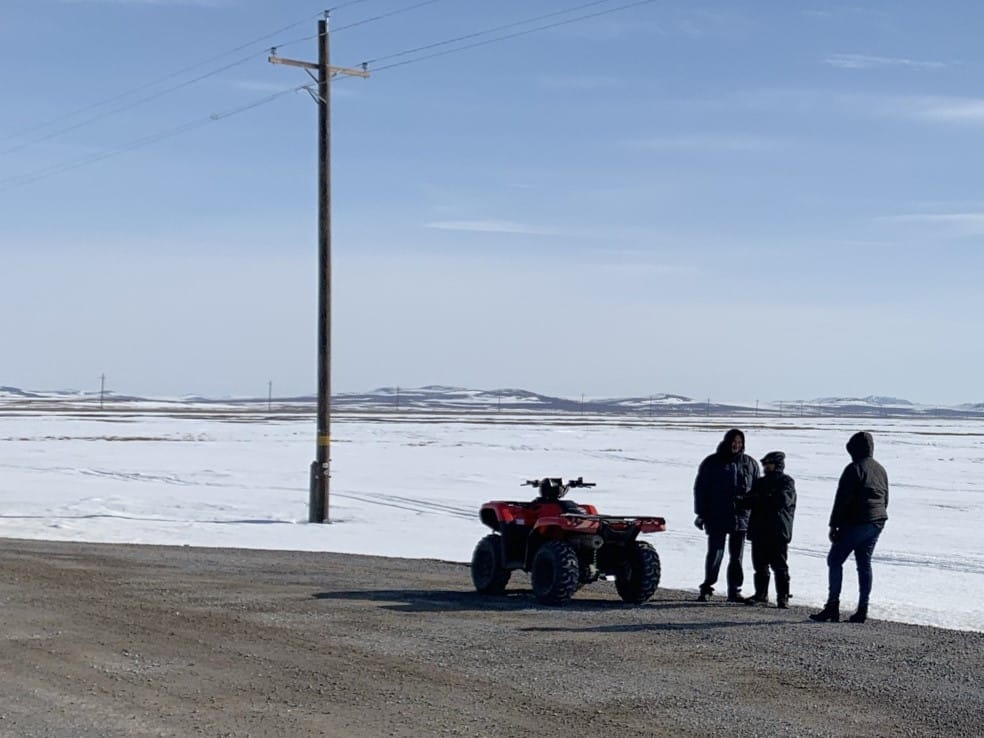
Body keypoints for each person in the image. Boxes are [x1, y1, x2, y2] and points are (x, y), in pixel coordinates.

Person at [810, 431, 889, 624]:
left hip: (857, 522)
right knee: (864, 564)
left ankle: (832, 606)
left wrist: (834, 525)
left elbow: (842, 500)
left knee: (835, 560)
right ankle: (862, 609)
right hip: (877, 521)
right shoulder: (880, 469)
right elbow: (885, 498)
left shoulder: (853, 468)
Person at [693, 428, 760, 602]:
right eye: (733, 441)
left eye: (739, 442)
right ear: (727, 442)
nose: (736, 445)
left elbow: (756, 491)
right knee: (716, 553)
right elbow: (701, 489)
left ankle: (734, 590)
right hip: (717, 515)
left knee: (737, 556)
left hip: (741, 517)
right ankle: (707, 587)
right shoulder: (712, 462)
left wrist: (753, 511)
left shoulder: (750, 463)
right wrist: (701, 513)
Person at [742, 451, 796, 608]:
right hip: (759, 528)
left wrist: (761, 498)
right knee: (760, 565)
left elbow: (783, 500)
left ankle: (783, 597)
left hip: (778, 530)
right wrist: (743, 500)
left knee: (779, 565)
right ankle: (761, 595)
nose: (766, 467)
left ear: (777, 464)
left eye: (769, 463)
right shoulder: (760, 482)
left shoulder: (787, 482)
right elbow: (749, 500)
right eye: (765, 464)